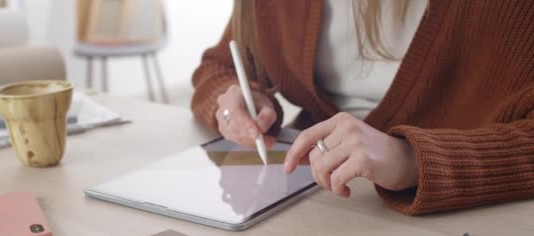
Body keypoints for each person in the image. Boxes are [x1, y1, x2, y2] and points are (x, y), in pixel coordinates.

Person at [191, 0, 534, 215]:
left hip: (471, 220)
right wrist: (234, 102)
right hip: (315, 205)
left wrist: (412, 161)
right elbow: (219, 67)